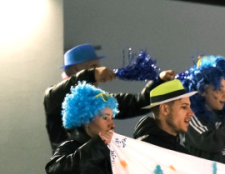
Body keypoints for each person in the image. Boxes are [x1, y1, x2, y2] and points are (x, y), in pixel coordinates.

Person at [44, 43, 173, 147]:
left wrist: (159, 81)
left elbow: (137, 103)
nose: (98, 72)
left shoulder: (99, 99)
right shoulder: (54, 97)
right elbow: (54, 95)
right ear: (76, 69)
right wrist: (90, 74)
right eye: (93, 66)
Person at [133, 80, 195, 153]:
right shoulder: (141, 151)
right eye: (184, 107)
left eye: (189, 107)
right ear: (165, 109)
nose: (191, 113)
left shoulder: (183, 153)